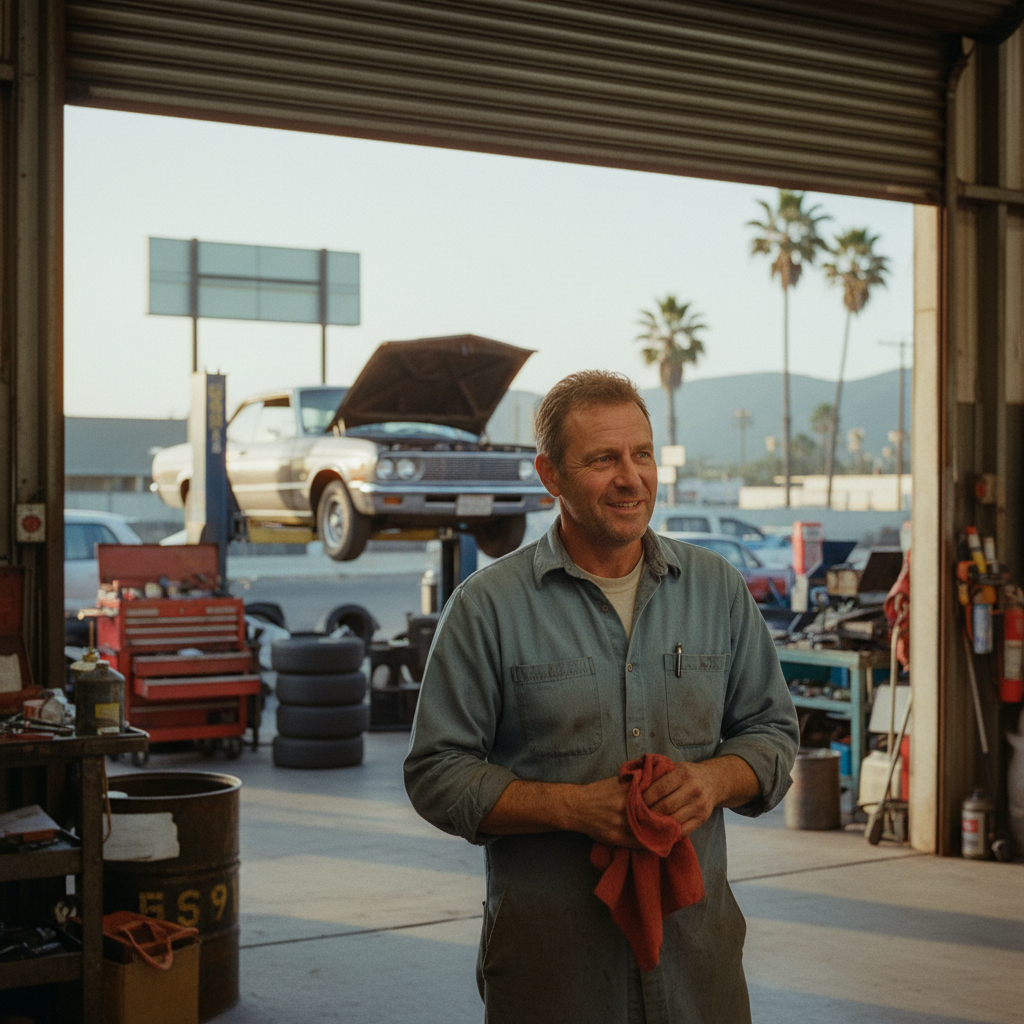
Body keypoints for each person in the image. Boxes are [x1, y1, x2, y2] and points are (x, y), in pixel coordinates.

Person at [404, 370, 799, 1024]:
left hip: (698, 971)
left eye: (641, 454)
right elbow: (436, 774)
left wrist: (714, 779)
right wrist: (572, 808)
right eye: (602, 459)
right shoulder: (488, 608)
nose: (630, 477)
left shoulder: (717, 590)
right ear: (550, 475)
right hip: (555, 977)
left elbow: (774, 735)